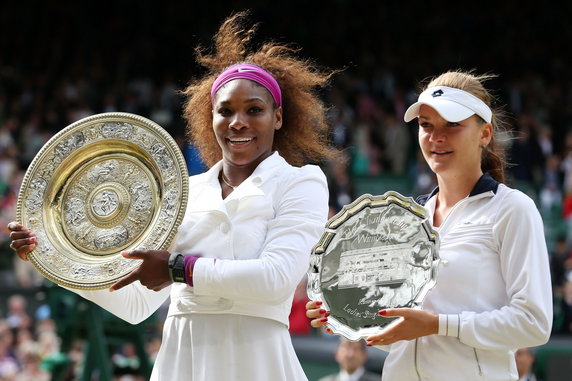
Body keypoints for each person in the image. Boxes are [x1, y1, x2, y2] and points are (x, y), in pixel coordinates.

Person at [8, 11, 336, 381]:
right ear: (208, 119)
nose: (237, 122)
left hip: (258, 362)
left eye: (254, 110)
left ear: (278, 118)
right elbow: (135, 305)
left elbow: (274, 278)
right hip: (182, 364)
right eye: (224, 111)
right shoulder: (187, 192)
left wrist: (177, 267)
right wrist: (53, 258)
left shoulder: (302, 181)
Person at [307, 70, 553, 380]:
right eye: (426, 125)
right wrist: (345, 313)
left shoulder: (512, 209)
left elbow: (534, 323)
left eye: (452, 125)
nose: (436, 137)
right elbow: (404, 332)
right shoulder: (406, 220)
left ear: (485, 133)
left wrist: (438, 325)